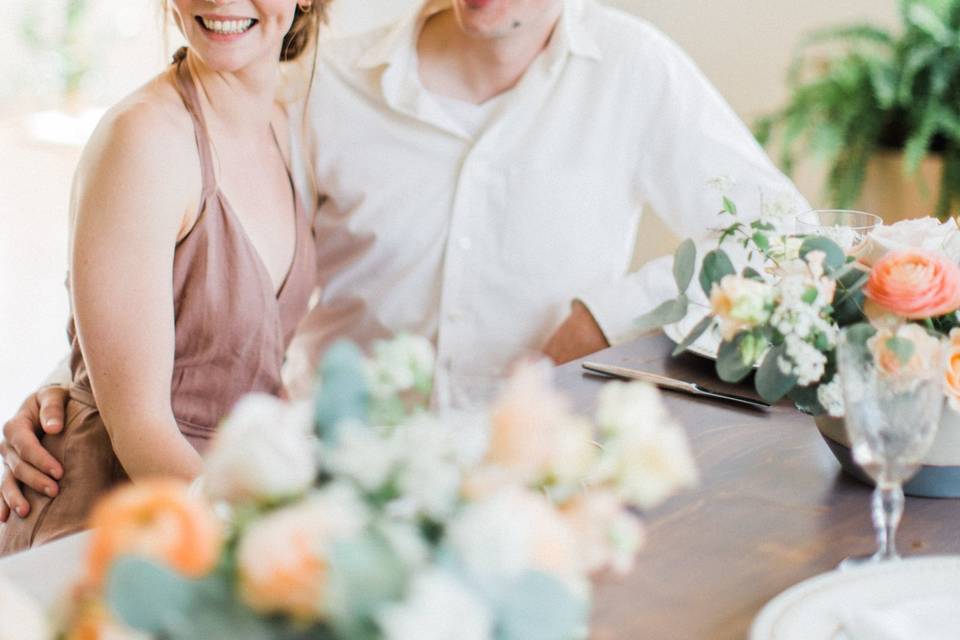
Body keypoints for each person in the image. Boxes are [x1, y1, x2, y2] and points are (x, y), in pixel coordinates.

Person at [1, 0, 807, 523]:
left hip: (531, 502)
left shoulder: (636, 72)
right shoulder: (322, 88)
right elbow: (194, 270)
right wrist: (72, 399)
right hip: (332, 500)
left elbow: (789, 241)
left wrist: (610, 314)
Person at [0, 0, 324, 551]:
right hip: (111, 527)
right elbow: (142, 431)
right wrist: (280, 539)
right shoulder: (143, 140)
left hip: (224, 521)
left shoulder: (284, 128)